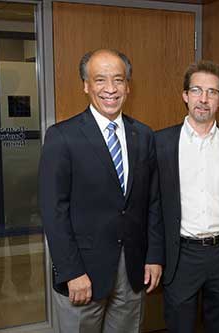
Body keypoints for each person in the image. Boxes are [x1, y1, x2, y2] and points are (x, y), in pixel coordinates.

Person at [39, 49, 164, 332]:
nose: (110, 89)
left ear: (128, 86)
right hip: (83, 272)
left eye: (118, 80)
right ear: (86, 85)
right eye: (100, 80)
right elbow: (53, 211)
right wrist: (71, 272)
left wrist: (154, 256)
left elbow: (152, 202)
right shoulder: (62, 137)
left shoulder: (143, 135)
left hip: (132, 270)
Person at [153, 60, 219, 333]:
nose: (204, 99)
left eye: (212, 92)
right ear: (185, 95)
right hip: (181, 254)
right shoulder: (161, 143)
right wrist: (154, 256)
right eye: (196, 90)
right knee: (179, 326)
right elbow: (152, 207)